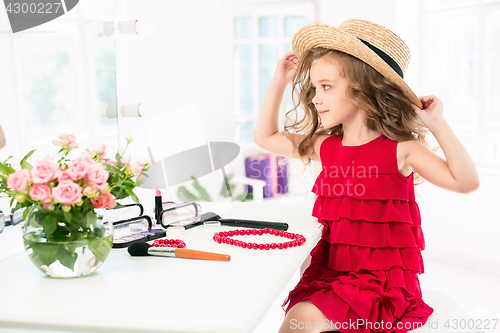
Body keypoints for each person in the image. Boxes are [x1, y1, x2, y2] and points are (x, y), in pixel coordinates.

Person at [254, 19, 480, 333]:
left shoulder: (403, 150)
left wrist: (437, 124)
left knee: (302, 318)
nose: (316, 98)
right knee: (299, 317)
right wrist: (279, 81)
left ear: (364, 89)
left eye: (327, 86)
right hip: (331, 277)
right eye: (315, 88)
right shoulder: (325, 146)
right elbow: (265, 138)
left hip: (381, 288)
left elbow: (466, 182)